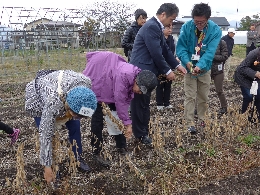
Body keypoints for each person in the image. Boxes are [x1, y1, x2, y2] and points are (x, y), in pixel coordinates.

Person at [83, 51, 158, 166]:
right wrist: (128, 124)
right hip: (97, 81)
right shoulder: (124, 76)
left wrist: (126, 121)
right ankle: (97, 152)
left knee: (117, 115)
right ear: (138, 81)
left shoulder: (134, 75)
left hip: (109, 79)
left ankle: (121, 146)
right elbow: (120, 101)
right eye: (141, 90)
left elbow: (125, 100)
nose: (139, 93)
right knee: (97, 119)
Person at [25, 69, 97, 183]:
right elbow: (45, 135)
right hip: (37, 98)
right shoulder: (53, 102)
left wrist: (76, 115)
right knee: (50, 133)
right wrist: (46, 167)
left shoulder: (85, 84)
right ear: (68, 106)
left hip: (62, 90)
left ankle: (77, 158)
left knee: (75, 126)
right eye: (75, 114)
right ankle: (53, 167)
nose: (75, 117)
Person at [129, 3, 187, 145]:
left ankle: (143, 131)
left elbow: (165, 51)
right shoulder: (151, 27)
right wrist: (168, 71)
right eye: (171, 19)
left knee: (144, 103)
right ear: (163, 15)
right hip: (141, 72)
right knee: (139, 104)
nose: (171, 22)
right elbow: (156, 53)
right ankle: (140, 135)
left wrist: (177, 65)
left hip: (148, 72)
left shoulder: (156, 27)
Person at [176, 3, 222, 134]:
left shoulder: (215, 30)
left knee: (203, 96)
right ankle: (189, 123)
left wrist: (200, 65)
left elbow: (210, 52)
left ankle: (202, 119)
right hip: (189, 68)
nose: (199, 24)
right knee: (190, 96)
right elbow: (181, 48)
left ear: (208, 19)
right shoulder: (187, 26)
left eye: (202, 22)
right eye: (196, 21)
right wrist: (187, 63)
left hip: (204, 69)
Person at [234, 47, 260, 122]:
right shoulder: (254, 53)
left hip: (255, 78)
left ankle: (257, 116)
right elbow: (243, 68)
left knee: (258, 96)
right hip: (243, 77)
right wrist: (255, 73)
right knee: (249, 96)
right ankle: (244, 115)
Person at [156, 23, 176, 110]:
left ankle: (167, 103)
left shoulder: (172, 39)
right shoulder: (159, 39)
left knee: (168, 85)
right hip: (160, 65)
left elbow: (172, 53)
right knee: (160, 84)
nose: (170, 30)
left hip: (169, 65)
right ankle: (159, 103)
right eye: (168, 28)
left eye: (171, 28)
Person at [211, 40, 229, 116]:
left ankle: (224, 107)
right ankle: (197, 108)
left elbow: (224, 56)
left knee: (219, 90)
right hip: (205, 69)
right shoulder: (204, 40)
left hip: (218, 70)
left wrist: (212, 56)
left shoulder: (222, 42)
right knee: (201, 90)